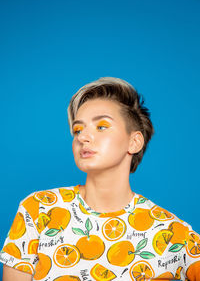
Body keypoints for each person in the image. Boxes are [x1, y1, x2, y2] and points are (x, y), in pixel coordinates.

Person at [0, 77, 199, 281]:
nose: (82, 137)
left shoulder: (170, 232)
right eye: (78, 129)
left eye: (101, 127)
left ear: (134, 142)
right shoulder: (38, 210)